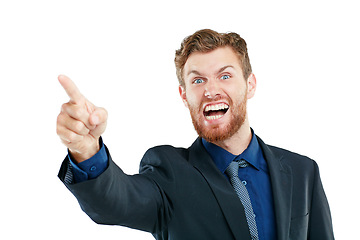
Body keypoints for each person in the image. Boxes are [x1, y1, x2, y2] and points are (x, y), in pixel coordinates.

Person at [57, 29, 334, 240]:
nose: (210, 90)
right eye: (197, 80)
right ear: (184, 95)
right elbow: (116, 202)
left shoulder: (303, 171)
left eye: (225, 76)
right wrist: (87, 151)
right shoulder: (169, 171)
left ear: (250, 85)